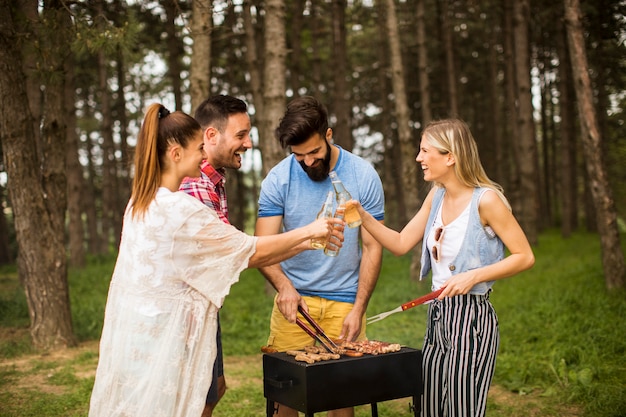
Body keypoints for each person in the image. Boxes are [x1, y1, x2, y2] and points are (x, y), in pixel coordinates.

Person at [88, 103, 343, 417]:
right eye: (198, 149)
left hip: (140, 333)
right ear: (175, 153)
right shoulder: (180, 210)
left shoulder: (142, 202)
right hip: (169, 336)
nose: (203, 156)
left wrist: (309, 240)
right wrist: (310, 232)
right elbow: (248, 250)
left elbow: (240, 252)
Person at [350, 119, 535, 417]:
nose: (418, 158)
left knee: (462, 409)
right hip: (438, 315)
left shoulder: (486, 200)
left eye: (425, 151)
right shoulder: (436, 195)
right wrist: (363, 216)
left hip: (472, 318)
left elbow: (524, 256)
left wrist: (475, 275)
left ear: (450, 156)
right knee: (430, 406)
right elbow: (399, 243)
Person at [255, 96, 385, 417]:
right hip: (294, 304)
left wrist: (358, 308)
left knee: (341, 398)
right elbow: (261, 247)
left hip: (344, 302)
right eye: (299, 156)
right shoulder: (278, 179)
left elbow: (372, 246)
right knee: (287, 398)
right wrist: (284, 287)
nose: (309, 162)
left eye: (314, 152)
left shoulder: (363, 175)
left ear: (328, 135)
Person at [179, 95, 252, 417]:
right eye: (241, 135)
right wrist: (307, 237)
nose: (248, 144)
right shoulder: (195, 183)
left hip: (203, 307)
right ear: (211, 135)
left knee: (213, 389)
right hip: (186, 314)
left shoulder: (214, 181)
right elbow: (230, 251)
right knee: (197, 397)